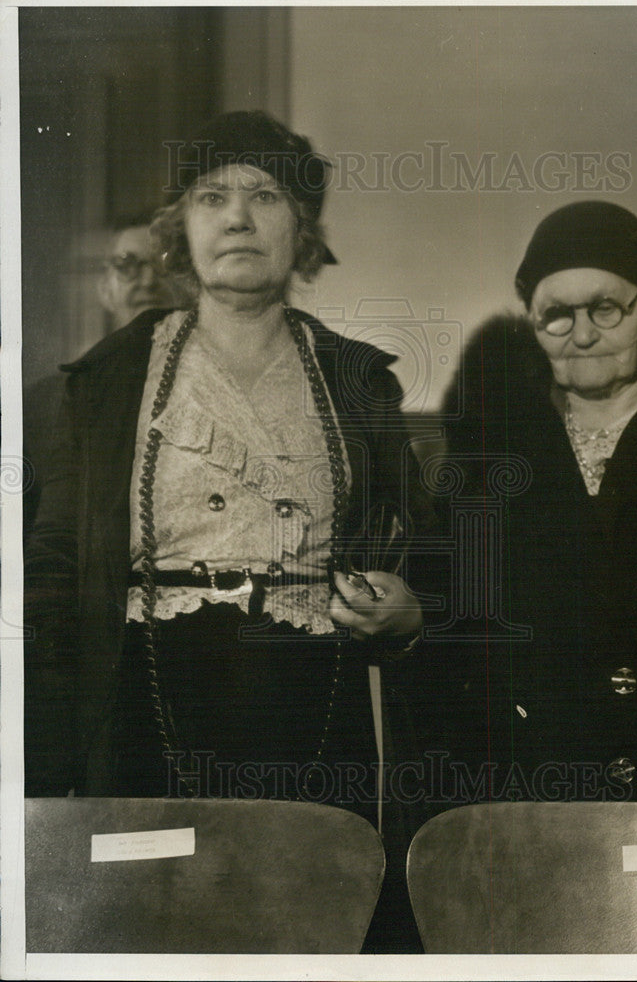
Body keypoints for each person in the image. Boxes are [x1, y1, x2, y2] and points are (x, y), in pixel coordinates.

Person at [24, 111, 433, 822]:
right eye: (212, 198)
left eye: (265, 196)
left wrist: (407, 611)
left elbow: (427, 550)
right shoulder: (106, 381)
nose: (237, 218)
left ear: (302, 230)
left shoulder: (359, 382)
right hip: (143, 708)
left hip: (313, 708)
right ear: (178, 230)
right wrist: (41, 769)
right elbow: (55, 571)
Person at [437, 200, 637, 803]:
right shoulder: (494, 453)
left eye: (606, 308)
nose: (583, 335)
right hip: (534, 780)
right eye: (556, 315)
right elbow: (463, 641)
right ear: (531, 320)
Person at [23, 215, 181, 539]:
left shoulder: (215, 394)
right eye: (128, 264)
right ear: (104, 289)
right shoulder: (46, 404)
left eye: (166, 263)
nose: (149, 280)